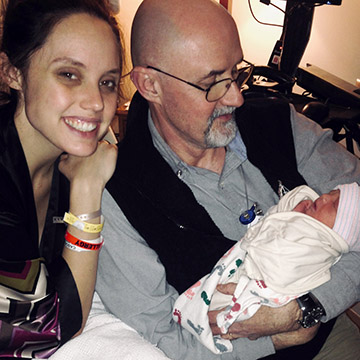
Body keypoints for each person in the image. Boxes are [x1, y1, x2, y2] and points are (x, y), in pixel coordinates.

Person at [95, 0, 360, 359]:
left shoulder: (278, 123)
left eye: (236, 73)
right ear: (150, 85)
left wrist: (306, 310)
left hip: (327, 337)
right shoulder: (119, 194)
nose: (236, 98)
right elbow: (160, 336)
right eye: (213, 83)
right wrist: (276, 339)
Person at [0, 0, 123, 358]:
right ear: (13, 73)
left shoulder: (74, 155)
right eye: (69, 74)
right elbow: (43, 330)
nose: (96, 102)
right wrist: (87, 193)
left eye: (108, 82)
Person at [173, 183, 360, 354]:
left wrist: (289, 219)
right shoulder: (311, 218)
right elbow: (289, 202)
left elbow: (272, 263)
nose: (325, 197)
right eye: (331, 193)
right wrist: (294, 213)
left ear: (339, 234)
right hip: (253, 342)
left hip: (316, 326)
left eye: (335, 206)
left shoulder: (315, 248)